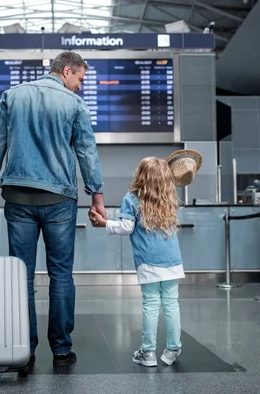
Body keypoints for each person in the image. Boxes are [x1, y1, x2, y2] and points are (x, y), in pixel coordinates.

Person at [0, 51, 106, 368]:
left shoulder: (12, 96)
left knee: (21, 277)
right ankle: (61, 349)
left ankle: (24, 347)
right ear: (67, 70)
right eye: (80, 80)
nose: (79, 87)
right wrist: (97, 197)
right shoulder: (73, 105)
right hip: (59, 200)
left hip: (18, 199)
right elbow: (87, 152)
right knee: (61, 275)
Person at [89, 157, 185, 367]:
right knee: (171, 303)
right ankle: (173, 347)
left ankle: (148, 352)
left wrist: (105, 222)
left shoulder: (132, 199)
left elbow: (126, 227)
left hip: (148, 262)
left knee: (151, 304)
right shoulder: (169, 197)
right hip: (173, 261)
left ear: (140, 175)